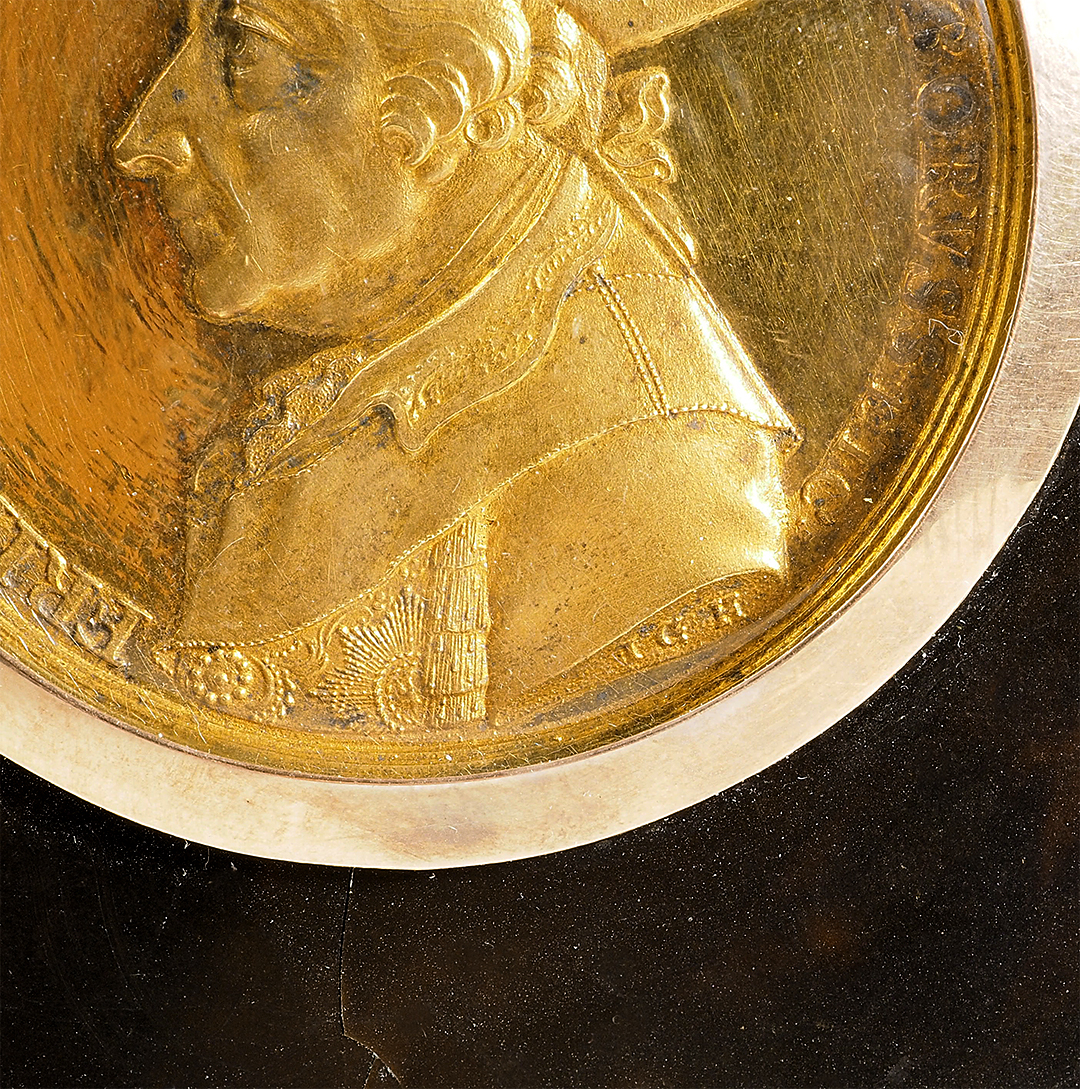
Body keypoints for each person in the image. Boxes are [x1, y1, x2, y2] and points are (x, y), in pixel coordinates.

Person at [112, 0, 797, 737]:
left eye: (246, 55)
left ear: (446, 94)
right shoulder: (343, 389)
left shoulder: (662, 484)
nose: (142, 140)